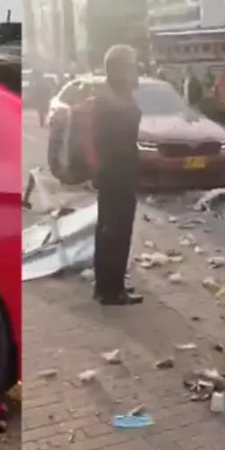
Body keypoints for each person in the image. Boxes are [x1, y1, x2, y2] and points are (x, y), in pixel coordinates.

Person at [90, 44, 144, 306]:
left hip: (115, 174)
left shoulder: (114, 95)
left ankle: (109, 285)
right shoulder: (113, 101)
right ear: (122, 69)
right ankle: (111, 291)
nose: (137, 71)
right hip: (117, 176)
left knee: (110, 231)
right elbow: (116, 143)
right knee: (116, 233)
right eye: (133, 66)